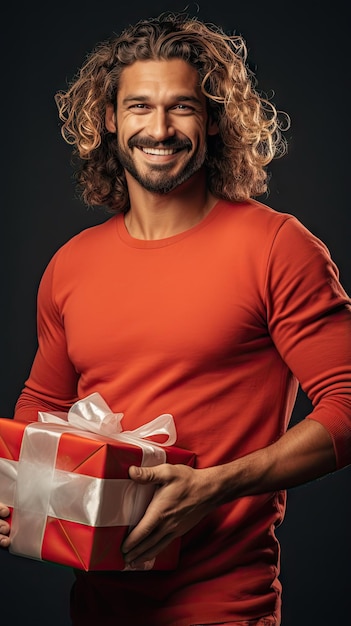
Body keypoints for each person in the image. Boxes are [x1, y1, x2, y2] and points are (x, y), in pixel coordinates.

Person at [1, 11, 350, 626]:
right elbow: (39, 407)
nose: (158, 129)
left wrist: (215, 485)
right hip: (96, 607)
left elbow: (348, 404)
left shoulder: (276, 246)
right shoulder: (71, 265)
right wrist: (14, 494)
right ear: (109, 120)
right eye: (139, 107)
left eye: (181, 107)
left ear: (212, 119)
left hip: (221, 606)